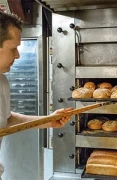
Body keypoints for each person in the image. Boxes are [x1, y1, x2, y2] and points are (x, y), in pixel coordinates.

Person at [0, 11, 72, 178]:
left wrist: (47, 120)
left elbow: (7, 120)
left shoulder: (2, 82)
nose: (18, 55)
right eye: (13, 48)